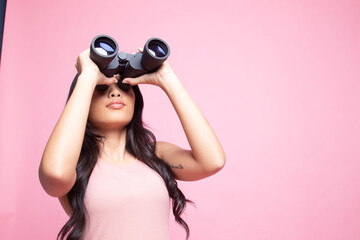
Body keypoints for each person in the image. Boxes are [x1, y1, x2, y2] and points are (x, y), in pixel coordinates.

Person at [39, 47, 226, 240]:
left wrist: (167, 79)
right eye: (102, 87)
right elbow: (54, 175)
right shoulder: (73, 164)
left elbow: (212, 161)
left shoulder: (156, 154)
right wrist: (87, 77)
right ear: (83, 99)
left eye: (124, 86)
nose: (115, 93)